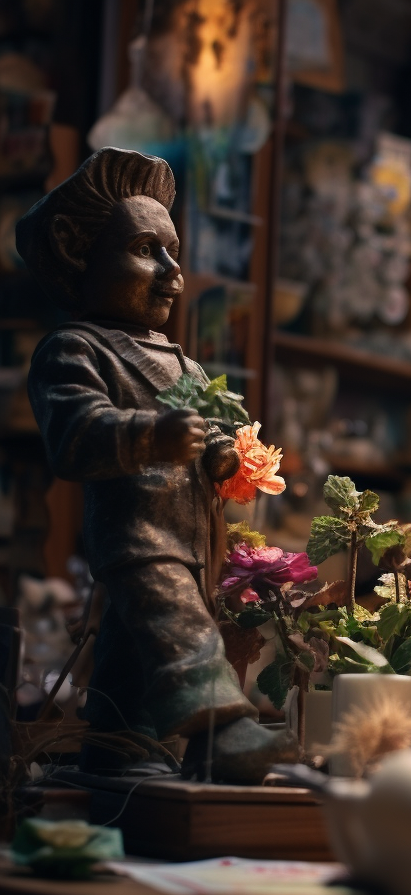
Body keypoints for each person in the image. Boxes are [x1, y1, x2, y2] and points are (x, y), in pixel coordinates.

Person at [17, 147, 296, 783]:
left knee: (133, 652)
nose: (172, 271)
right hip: (139, 540)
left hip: (197, 543)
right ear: (78, 252)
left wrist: (224, 452)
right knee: (178, 630)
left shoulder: (185, 364)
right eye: (147, 250)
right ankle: (224, 732)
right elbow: (74, 435)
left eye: (174, 252)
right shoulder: (73, 350)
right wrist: (152, 433)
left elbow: (217, 434)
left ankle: (118, 748)